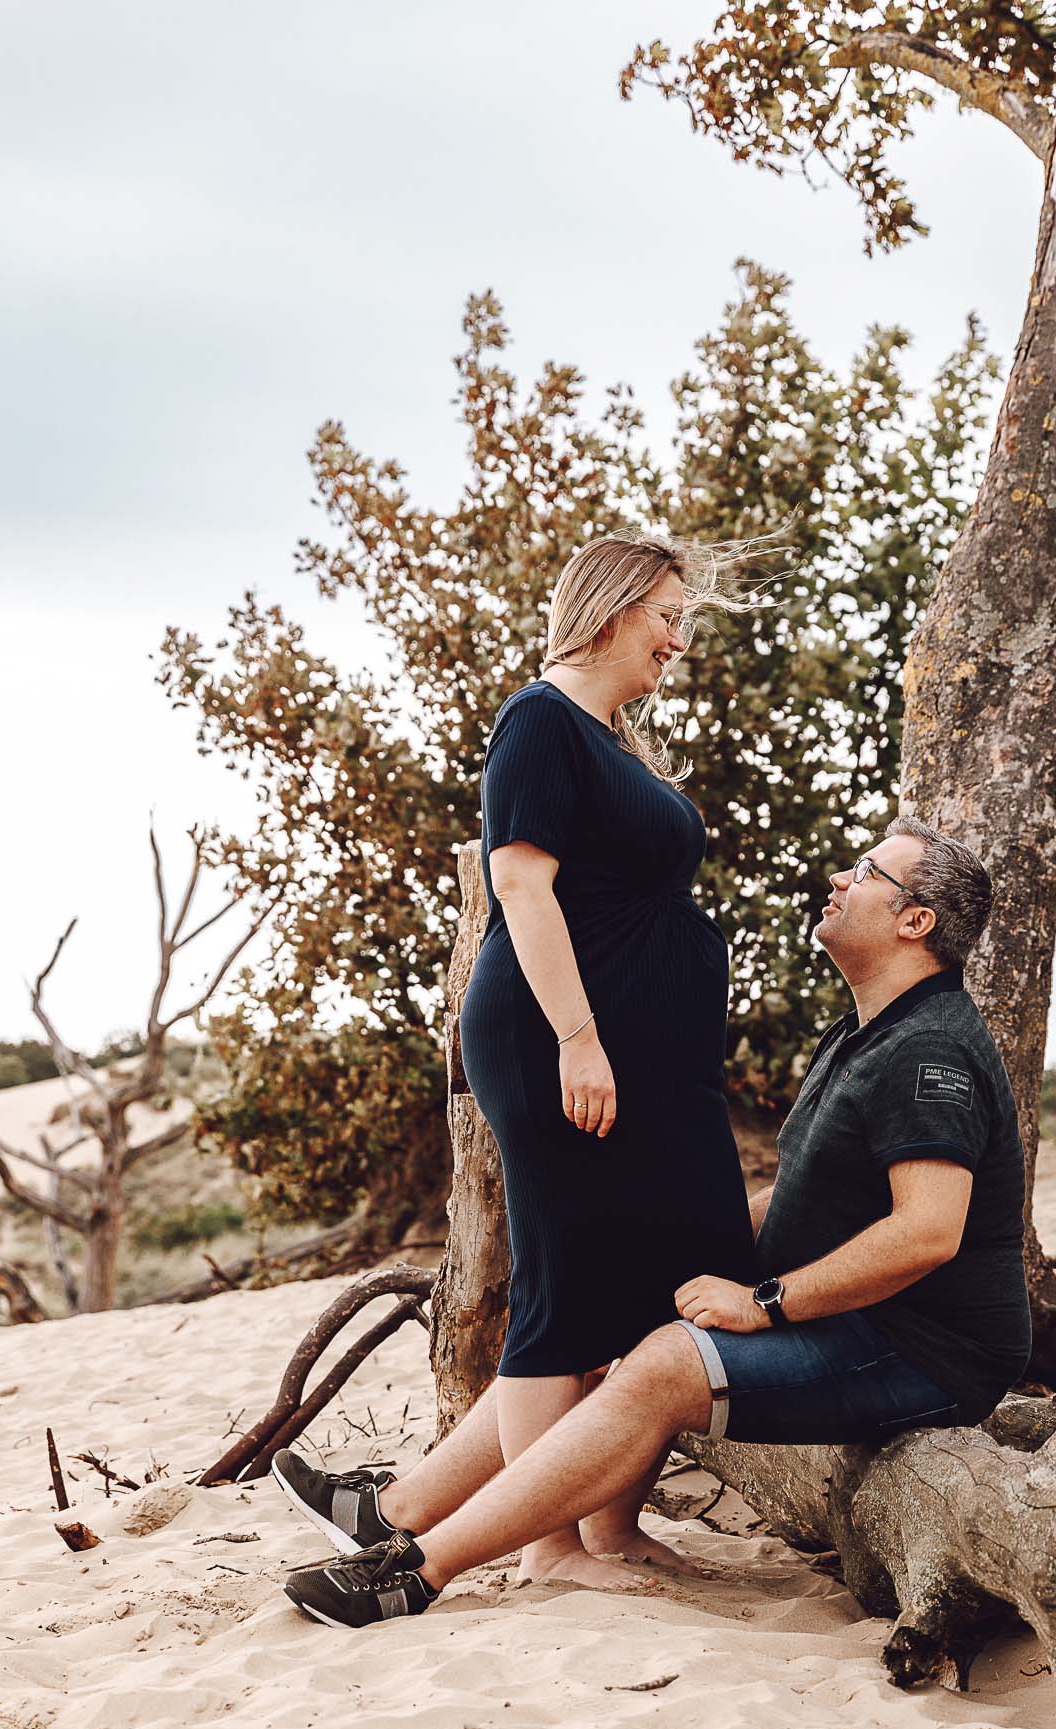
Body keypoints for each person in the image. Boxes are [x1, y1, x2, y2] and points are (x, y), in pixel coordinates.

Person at [278, 815, 1033, 1629]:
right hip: (859, 1321)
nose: (839, 881)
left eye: (864, 873)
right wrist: (677, 1247)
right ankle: (395, 1511)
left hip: (923, 1351)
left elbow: (926, 1232)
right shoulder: (863, 1033)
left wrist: (766, 1301)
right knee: (611, 1299)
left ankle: (416, 1573)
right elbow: (810, 1194)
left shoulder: (928, 1054)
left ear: (914, 921)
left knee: (665, 1364)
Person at [273, 532, 757, 1592]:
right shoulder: (538, 721)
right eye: (668, 614)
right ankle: (552, 1545)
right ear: (612, 607)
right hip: (557, 1040)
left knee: (670, 1273)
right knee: (568, 1278)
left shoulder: (613, 738)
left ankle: (595, 1522)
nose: (679, 640)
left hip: (652, 1064)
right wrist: (581, 1039)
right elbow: (523, 889)